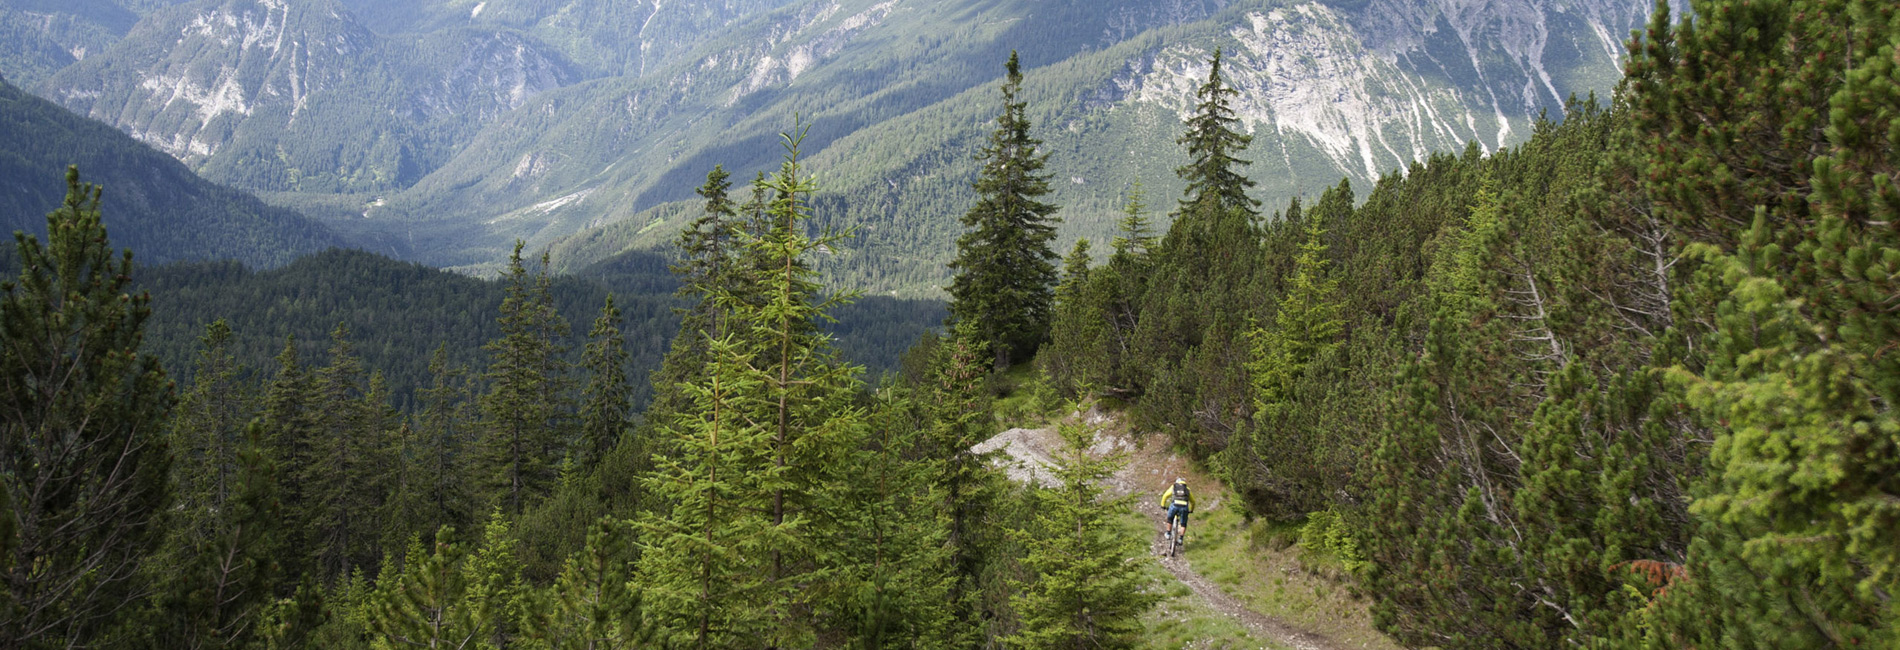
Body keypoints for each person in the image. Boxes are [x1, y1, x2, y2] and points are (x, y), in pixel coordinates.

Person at [1158, 477, 1193, 542]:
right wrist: (1191, 510)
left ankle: (1168, 533)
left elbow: (1165, 496)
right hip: (1184, 507)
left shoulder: (1173, 487)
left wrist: (1162, 505)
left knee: (1170, 519)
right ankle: (1180, 539)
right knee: (1183, 524)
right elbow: (1193, 501)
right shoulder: (1187, 489)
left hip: (1175, 505)